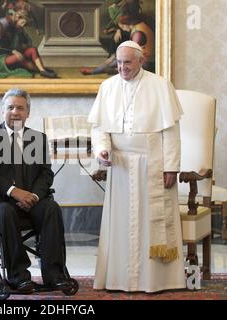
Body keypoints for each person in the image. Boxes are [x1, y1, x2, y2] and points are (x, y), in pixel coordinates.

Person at [88, 41, 186, 293]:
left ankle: (157, 280)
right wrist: (102, 150)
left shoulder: (160, 85)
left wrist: (171, 167)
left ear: (141, 60)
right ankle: (120, 279)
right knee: (121, 225)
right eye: (118, 63)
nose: (122, 67)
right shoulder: (107, 87)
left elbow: (171, 131)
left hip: (152, 165)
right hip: (120, 167)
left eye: (127, 62)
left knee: (151, 224)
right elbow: (100, 128)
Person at [0, 88, 68, 292]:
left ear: (28, 113)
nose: (15, 112)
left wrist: (33, 195)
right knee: (6, 211)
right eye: (10, 107)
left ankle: (54, 275)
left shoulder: (38, 138)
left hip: (32, 201)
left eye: (20, 108)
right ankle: (19, 276)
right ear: (2, 111)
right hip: (0, 203)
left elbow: (46, 173)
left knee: (52, 208)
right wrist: (14, 191)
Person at [0, 9, 57, 79]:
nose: (23, 25)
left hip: (15, 54)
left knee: (33, 49)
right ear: (18, 19)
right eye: (22, 22)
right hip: (2, 58)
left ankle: (42, 70)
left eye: (25, 24)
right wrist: (13, 51)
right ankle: (40, 70)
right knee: (19, 57)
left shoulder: (20, 31)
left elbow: (28, 42)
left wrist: (24, 46)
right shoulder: (8, 29)